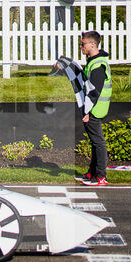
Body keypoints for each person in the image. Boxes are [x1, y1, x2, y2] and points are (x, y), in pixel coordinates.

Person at [52, 31, 112, 186]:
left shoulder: (98, 65)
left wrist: (88, 112)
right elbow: (81, 77)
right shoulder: (94, 60)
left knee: (98, 142)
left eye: (83, 44)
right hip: (93, 108)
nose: (81, 47)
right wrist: (64, 64)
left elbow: (94, 91)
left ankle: (100, 176)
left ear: (93, 44)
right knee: (94, 142)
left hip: (95, 109)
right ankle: (92, 173)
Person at [45, 0, 75, 70]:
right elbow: (47, 11)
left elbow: (70, 0)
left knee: (62, 45)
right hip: (53, 25)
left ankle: (63, 66)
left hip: (64, 24)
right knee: (51, 45)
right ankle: (56, 65)